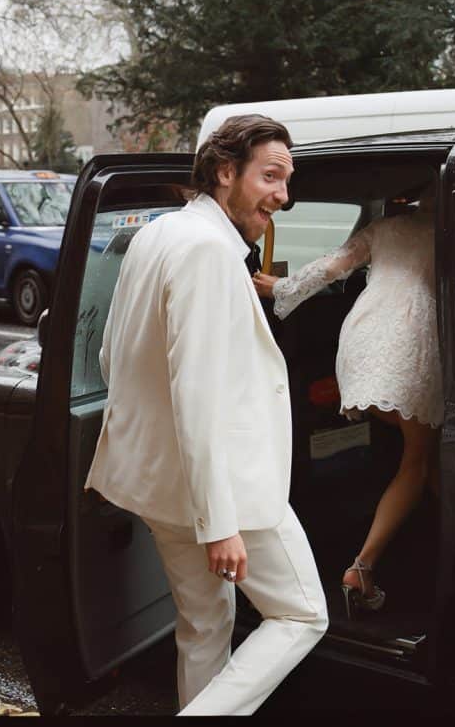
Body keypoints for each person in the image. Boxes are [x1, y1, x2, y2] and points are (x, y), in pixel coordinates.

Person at [84, 114, 328, 716]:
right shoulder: (208, 252)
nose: (283, 195)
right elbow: (197, 391)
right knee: (301, 613)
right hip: (229, 492)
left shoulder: (158, 235)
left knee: (204, 624)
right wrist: (219, 521)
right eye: (271, 176)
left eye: (286, 180)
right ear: (225, 172)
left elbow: (111, 355)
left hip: (165, 489)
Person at [253, 185, 442, 618]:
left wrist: (279, 286)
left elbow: (331, 268)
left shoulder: (384, 227)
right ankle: (363, 566)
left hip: (360, 343)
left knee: (426, 456)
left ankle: (446, 536)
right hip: (409, 344)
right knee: (417, 459)